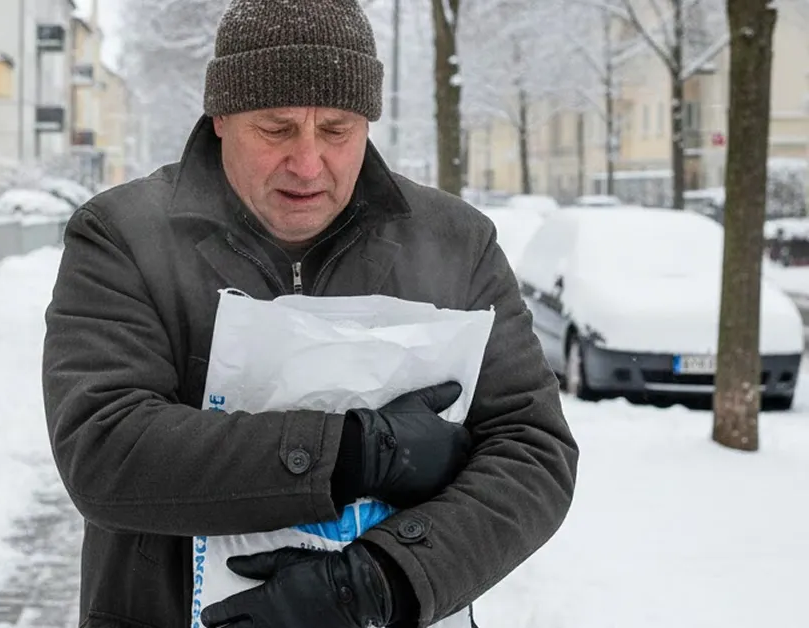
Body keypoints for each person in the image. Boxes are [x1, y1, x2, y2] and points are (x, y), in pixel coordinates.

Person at [42, 0, 579, 625]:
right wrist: (354, 452)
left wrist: (384, 581)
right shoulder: (124, 237)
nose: (306, 163)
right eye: (276, 128)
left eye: (337, 130)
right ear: (220, 116)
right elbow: (104, 449)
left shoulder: (457, 243)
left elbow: (533, 451)